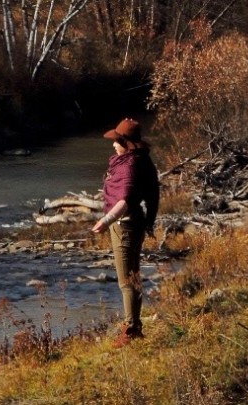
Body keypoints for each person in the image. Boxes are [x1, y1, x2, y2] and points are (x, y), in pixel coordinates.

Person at [91, 116, 160, 341]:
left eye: (117, 141)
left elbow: (126, 199)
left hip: (125, 225)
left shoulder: (130, 165)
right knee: (134, 277)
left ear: (127, 143)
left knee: (126, 281)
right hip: (133, 223)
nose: (113, 144)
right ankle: (135, 326)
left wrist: (107, 220)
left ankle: (131, 329)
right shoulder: (139, 160)